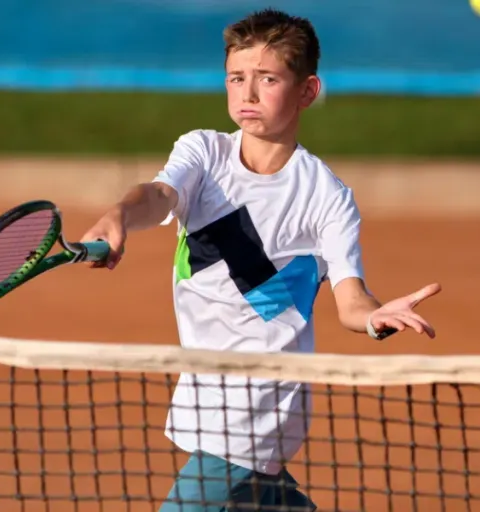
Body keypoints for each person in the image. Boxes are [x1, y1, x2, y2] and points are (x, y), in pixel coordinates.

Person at [80, 7, 441, 511]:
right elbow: (159, 196)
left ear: (306, 92)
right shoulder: (204, 153)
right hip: (205, 393)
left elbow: (350, 300)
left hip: (259, 406)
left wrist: (375, 317)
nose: (247, 94)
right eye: (236, 78)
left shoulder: (326, 197)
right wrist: (120, 215)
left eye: (267, 79)